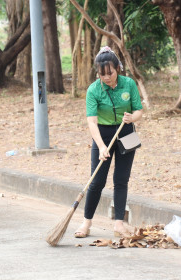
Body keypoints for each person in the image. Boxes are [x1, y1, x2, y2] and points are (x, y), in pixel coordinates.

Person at [74, 46, 143, 238]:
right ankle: (86, 223)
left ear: (117, 68)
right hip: (102, 134)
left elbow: (139, 110)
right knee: (97, 181)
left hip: (126, 131)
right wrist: (102, 146)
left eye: (110, 73)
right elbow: (91, 121)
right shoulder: (93, 90)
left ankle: (119, 224)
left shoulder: (129, 84)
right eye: (102, 74)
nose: (106, 77)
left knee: (121, 180)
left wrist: (132, 118)